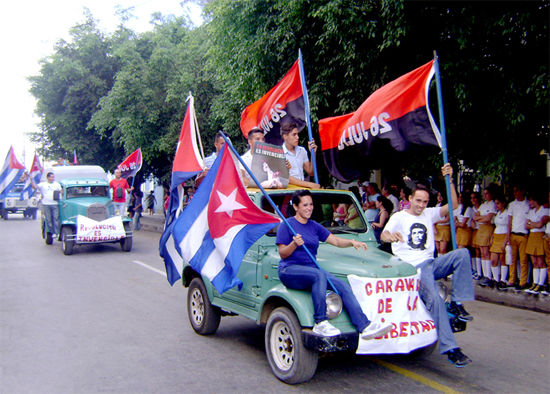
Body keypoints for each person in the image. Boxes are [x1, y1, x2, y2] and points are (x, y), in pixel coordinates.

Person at [381, 163, 475, 368]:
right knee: (435, 300)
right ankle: (451, 349)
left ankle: (457, 303)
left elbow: (454, 205)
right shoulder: (399, 216)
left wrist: (449, 179)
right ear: (409, 199)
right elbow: (383, 234)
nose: (421, 205)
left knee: (462, 254)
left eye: (425, 202)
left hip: (432, 263)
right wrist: (392, 236)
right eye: (418, 201)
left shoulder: (429, 213)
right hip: (415, 269)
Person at [276, 189, 392, 339]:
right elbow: (282, 253)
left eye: (311, 204)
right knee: (319, 275)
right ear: (296, 207)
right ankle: (320, 323)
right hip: (289, 270)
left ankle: (364, 326)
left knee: (342, 286)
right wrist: (293, 244)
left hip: (311, 270)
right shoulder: (287, 225)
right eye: (305, 205)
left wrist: (351, 242)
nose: (309, 208)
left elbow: (335, 240)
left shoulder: (314, 226)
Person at [503, 184, 531, 290]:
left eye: (517, 190)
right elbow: (510, 221)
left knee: (523, 259)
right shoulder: (512, 205)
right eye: (514, 190)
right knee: (512, 259)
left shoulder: (528, 204)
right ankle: (512, 280)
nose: (515, 192)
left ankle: (523, 281)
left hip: (523, 234)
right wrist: (508, 235)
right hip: (513, 234)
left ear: (522, 191)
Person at [524, 192, 549, 294]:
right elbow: (526, 225)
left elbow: (540, 225)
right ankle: (535, 283)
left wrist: (532, 224)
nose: (529, 203)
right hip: (532, 236)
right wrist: (534, 224)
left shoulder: (545, 210)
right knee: (534, 261)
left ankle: (541, 284)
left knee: (540, 261)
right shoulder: (531, 211)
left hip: (539, 235)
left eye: (531, 200)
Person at [281, 123, 320, 188]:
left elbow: (311, 172)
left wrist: (313, 153)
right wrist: (309, 184)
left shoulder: (302, 150)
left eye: (297, 134)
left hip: (302, 189)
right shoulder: (279, 153)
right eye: (294, 135)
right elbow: (285, 177)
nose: (297, 137)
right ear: (285, 137)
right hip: (289, 190)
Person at [473, 187, 497, 287]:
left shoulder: (493, 205)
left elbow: (489, 218)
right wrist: (482, 218)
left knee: (486, 252)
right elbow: (475, 217)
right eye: (484, 194)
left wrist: (481, 218)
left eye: (487, 194)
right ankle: (483, 274)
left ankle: (489, 275)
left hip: (488, 228)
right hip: (482, 228)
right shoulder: (483, 205)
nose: (485, 195)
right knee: (482, 252)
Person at [31, 172, 62, 239]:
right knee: (48, 219)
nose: (53, 178)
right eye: (51, 177)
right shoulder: (43, 184)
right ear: (48, 177)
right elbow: (35, 187)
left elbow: (61, 191)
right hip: (46, 204)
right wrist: (31, 180)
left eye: (53, 177)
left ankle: (57, 233)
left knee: (56, 218)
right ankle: (51, 233)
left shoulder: (57, 184)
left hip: (55, 204)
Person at [489, 194, 510, 288]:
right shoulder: (497, 213)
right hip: (496, 235)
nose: (496, 205)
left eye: (498, 203)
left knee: (502, 259)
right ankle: (496, 278)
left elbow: (509, 228)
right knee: (493, 260)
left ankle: (503, 279)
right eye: (495, 204)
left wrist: (505, 241)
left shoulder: (507, 213)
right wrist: (492, 237)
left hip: (503, 235)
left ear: (503, 203)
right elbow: (496, 226)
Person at [434, 192, 451, 256]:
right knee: (438, 249)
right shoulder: (437, 205)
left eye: (441, 196)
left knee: (443, 249)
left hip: (444, 227)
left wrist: (437, 221)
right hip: (437, 228)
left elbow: (447, 219)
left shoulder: (447, 206)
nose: (439, 197)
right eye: (438, 196)